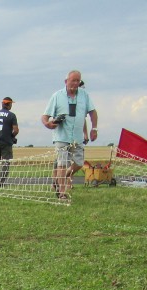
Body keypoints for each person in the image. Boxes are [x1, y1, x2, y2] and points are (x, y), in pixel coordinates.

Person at [41, 70, 98, 202]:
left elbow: (92, 112)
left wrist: (94, 128)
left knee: (79, 163)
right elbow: (45, 116)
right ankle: (62, 192)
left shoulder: (84, 95)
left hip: (77, 137)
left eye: (78, 81)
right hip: (62, 136)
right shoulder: (57, 96)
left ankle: (59, 179)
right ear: (66, 81)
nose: (76, 83)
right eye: (73, 80)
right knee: (62, 164)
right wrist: (47, 124)